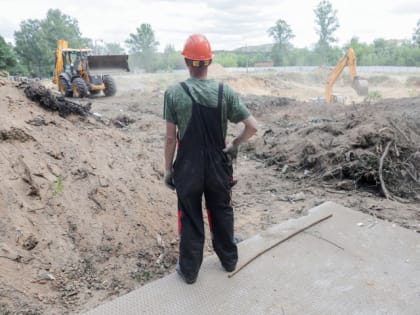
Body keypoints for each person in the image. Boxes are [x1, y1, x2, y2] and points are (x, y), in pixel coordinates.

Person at [163, 34, 258, 284]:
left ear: (186, 61)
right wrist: (235, 144)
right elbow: (252, 127)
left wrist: (167, 171)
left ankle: (190, 271)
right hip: (219, 165)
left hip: (187, 167)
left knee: (190, 216)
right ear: (210, 62)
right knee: (221, 212)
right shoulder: (225, 91)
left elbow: (170, 139)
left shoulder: (174, 93)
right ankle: (229, 260)